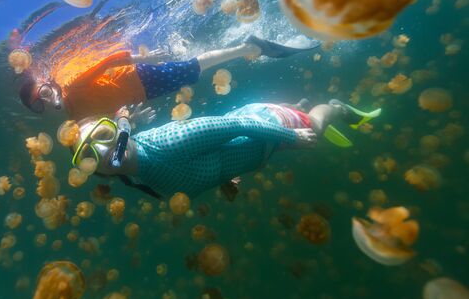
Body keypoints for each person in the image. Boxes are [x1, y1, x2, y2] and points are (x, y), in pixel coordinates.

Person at [70, 99, 381, 199]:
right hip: (263, 148)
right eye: (88, 153)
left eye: (102, 133)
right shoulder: (144, 180)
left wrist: (294, 137)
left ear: (114, 129)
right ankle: (295, 106)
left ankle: (333, 109)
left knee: (314, 127)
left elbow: (237, 125)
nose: (102, 147)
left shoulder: (168, 141)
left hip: (267, 125)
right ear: (97, 171)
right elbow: (196, 168)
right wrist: (224, 178)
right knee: (298, 124)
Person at [19, 36, 318, 122]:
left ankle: (247, 47)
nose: (45, 100)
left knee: (191, 68)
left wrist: (143, 58)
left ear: (48, 83)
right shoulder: (75, 118)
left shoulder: (71, 84)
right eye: (38, 105)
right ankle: (245, 47)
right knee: (191, 71)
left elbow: (104, 63)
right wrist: (131, 120)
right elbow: (110, 115)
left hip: (138, 75)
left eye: (43, 92)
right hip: (142, 94)